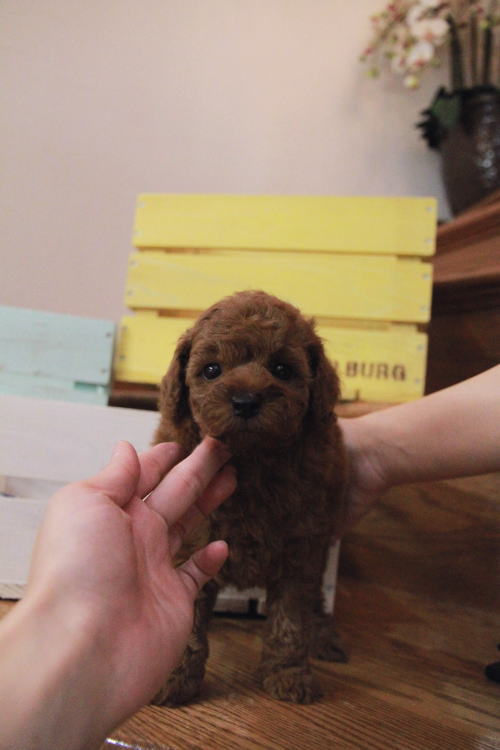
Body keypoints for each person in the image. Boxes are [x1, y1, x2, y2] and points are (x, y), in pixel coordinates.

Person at [0, 366, 499, 749]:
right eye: (212, 370)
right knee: (188, 572)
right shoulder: (180, 451)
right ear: (180, 386)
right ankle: (182, 666)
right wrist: (73, 617)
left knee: (298, 574)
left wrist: (291, 659)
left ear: (317, 388)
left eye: (282, 369)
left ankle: (286, 658)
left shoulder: (319, 455)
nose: (247, 392)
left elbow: (303, 567)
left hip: (292, 541)